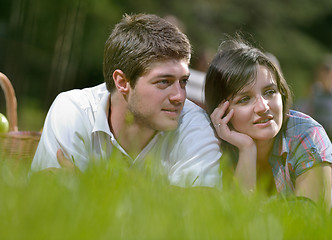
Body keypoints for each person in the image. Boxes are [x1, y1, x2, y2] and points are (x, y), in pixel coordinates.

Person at [31, 13, 222, 188]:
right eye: (164, 81)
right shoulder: (73, 109)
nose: (180, 96)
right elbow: (50, 198)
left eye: (183, 81)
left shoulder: (195, 122)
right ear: (122, 82)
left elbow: (200, 207)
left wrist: (89, 184)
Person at [204, 36, 332, 214]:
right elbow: (237, 222)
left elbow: (310, 225)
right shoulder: (214, 147)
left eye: (270, 92)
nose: (263, 107)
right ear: (221, 111)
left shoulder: (306, 134)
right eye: (244, 99)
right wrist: (247, 150)